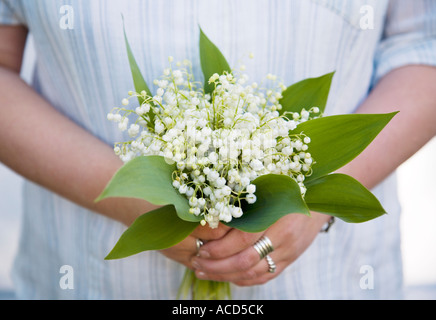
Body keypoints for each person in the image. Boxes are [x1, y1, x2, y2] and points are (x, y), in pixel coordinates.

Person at [0, 0, 435, 300]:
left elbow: (423, 47)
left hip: (331, 279)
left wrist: (310, 206)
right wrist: (139, 200)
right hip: (86, 276)